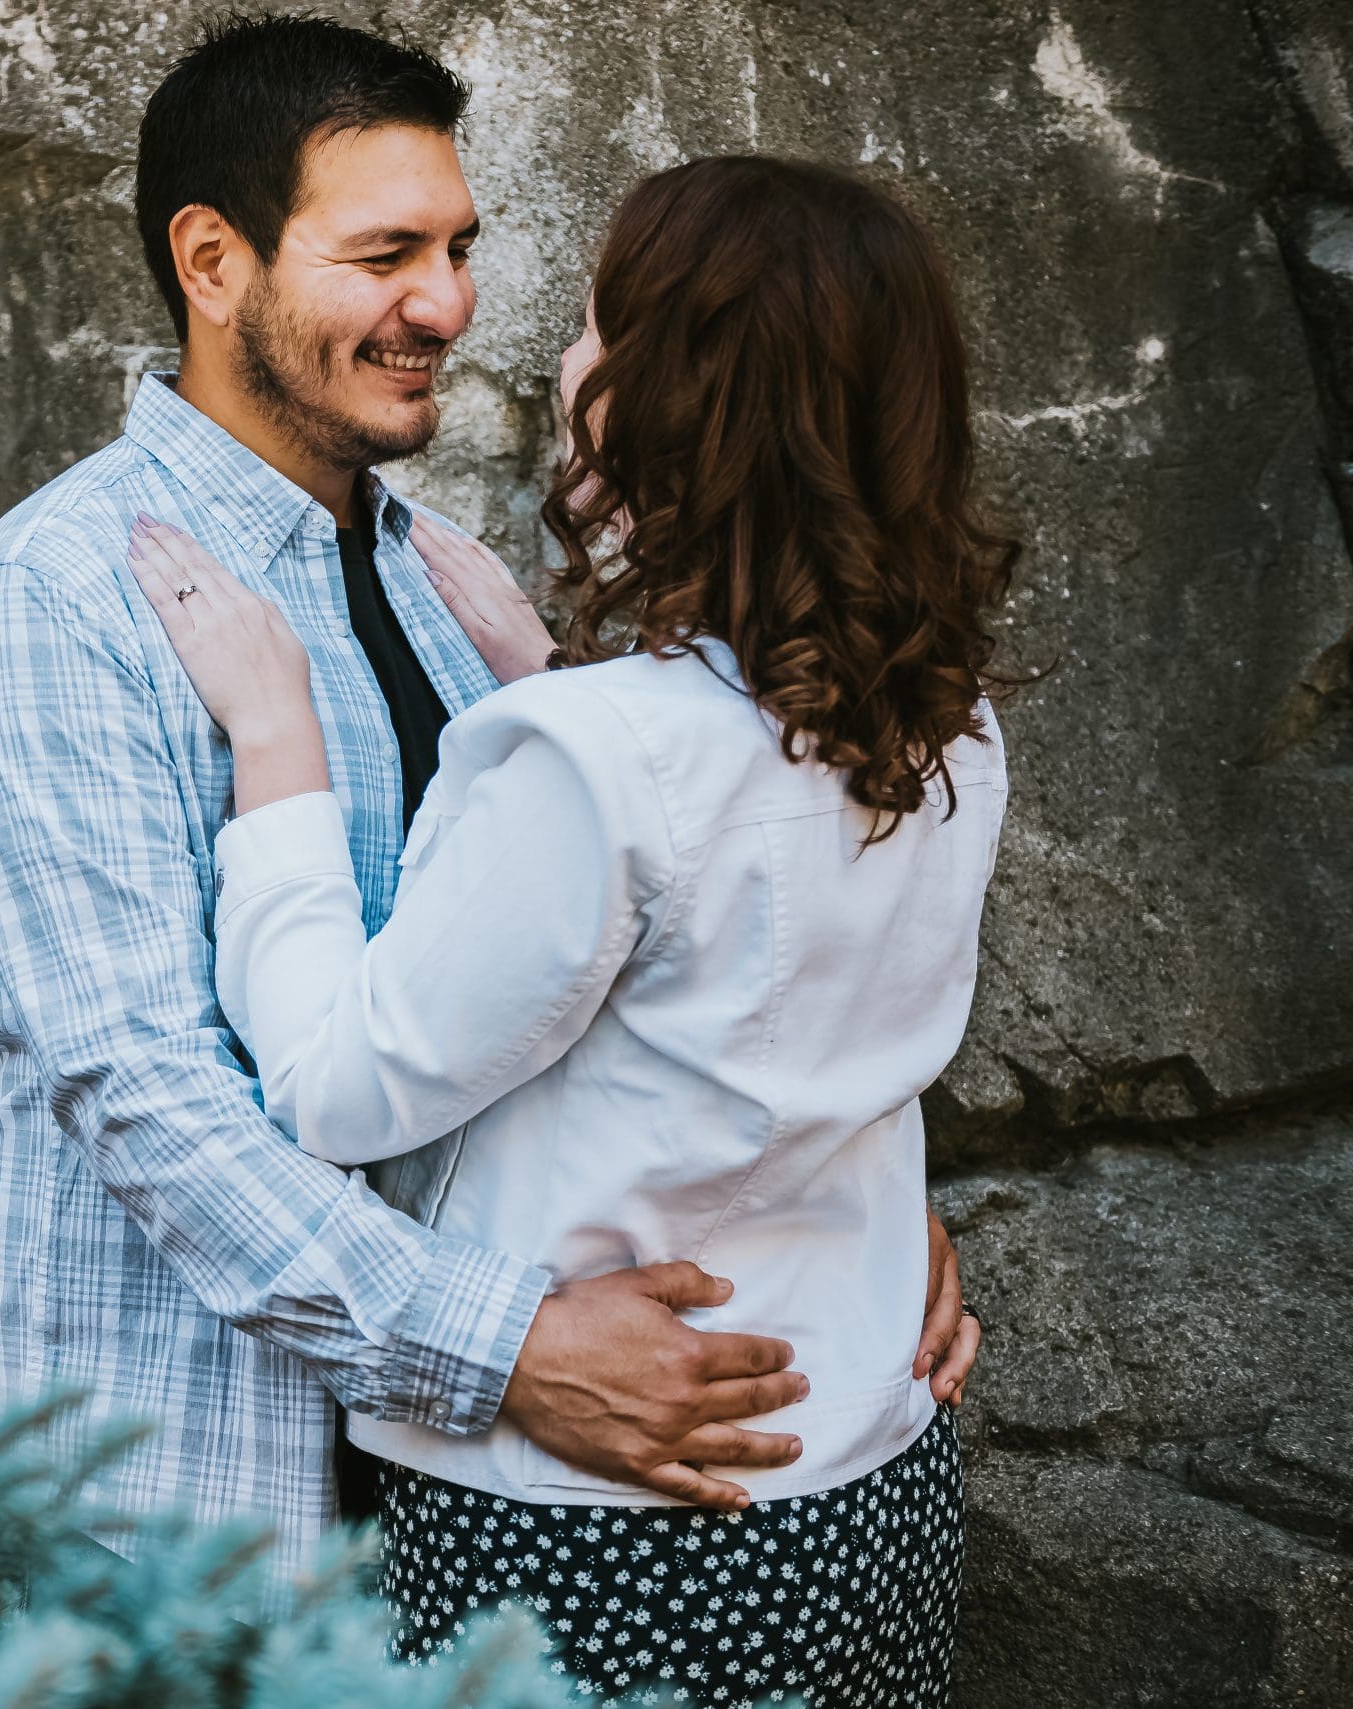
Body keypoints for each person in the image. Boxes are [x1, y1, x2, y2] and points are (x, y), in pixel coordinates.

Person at [0, 13, 980, 1613]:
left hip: (481, 1524)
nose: (450, 303)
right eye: (387, 252)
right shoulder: (65, 600)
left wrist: (845, 1214)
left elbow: (589, 997)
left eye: (461, 246)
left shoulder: (438, 574)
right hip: (189, 1510)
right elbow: (147, 1095)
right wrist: (507, 1348)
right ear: (214, 262)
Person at [125, 152, 1015, 1704]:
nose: (553, 356)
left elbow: (339, 1084)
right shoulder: (950, 725)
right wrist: (551, 676)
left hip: (612, 1528)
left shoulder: (597, 756)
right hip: (865, 1464)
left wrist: (281, 760)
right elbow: (756, 989)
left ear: (681, 398)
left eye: (598, 328)